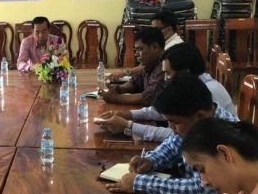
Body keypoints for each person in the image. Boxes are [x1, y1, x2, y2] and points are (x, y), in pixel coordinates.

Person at [105, 73, 238, 194]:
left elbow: (205, 193)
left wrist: (140, 183)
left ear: (200, 115)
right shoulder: (195, 122)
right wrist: (151, 161)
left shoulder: (225, 136)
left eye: (175, 122)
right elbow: (172, 146)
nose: (171, 128)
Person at [96, 43, 235, 141]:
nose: (165, 79)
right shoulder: (191, 87)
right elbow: (163, 112)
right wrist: (127, 114)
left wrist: (128, 127)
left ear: (185, 72)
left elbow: (176, 135)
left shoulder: (208, 92)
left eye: (168, 73)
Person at [100, 27, 165, 106]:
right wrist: (117, 89)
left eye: (140, 49)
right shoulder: (149, 64)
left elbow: (147, 98)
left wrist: (115, 98)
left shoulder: (164, 66)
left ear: (154, 47)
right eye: (136, 50)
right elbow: (134, 83)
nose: (136, 54)